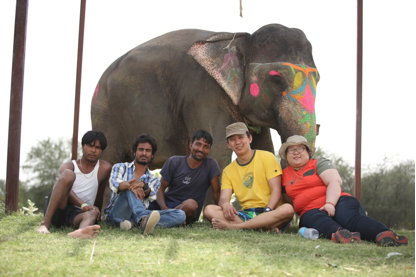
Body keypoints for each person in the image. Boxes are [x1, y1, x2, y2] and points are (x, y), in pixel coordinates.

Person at [279, 135, 408, 246]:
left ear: (308, 152)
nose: (296, 152)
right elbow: (288, 200)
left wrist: (330, 204)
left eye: (300, 148)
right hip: (310, 210)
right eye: (291, 150)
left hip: (339, 201)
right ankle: (343, 235)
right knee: (316, 220)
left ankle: (385, 234)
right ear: (286, 155)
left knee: (349, 218)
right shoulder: (283, 174)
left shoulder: (318, 163)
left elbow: (334, 181)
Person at [204, 122, 294, 232]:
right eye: (232, 139)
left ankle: (235, 227)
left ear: (249, 138)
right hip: (247, 214)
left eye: (241, 137)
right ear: (228, 144)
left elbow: (276, 190)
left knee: (288, 209)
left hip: (271, 210)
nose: (237, 142)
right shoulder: (228, 170)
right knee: (209, 210)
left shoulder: (267, 157)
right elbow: (223, 198)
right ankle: (264, 228)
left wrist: (268, 211)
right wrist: (226, 204)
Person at [104, 134, 186, 235]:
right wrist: (131, 186)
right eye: (141, 149)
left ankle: (134, 223)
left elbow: (149, 194)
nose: (144, 153)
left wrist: (143, 185)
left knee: (180, 214)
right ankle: (142, 220)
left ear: (152, 155)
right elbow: (115, 184)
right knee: (131, 189)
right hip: (118, 212)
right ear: (134, 152)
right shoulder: (120, 167)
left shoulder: (154, 179)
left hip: (137, 213)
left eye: (148, 151)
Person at [36, 131, 112, 238]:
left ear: (102, 151)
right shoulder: (68, 166)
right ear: (83, 146)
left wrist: (96, 212)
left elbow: (99, 193)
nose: (93, 150)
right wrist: (83, 204)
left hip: (79, 213)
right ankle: (45, 225)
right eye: (90, 146)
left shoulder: (104, 168)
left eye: (98, 147)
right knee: (68, 175)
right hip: (60, 208)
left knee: (92, 212)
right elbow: (65, 191)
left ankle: (81, 231)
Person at [148, 130, 221, 225]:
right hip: (164, 207)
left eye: (206, 146)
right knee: (141, 202)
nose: (201, 149)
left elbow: (216, 193)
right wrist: (164, 209)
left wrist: (224, 214)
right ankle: (167, 220)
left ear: (209, 150)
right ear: (191, 145)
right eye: (198, 144)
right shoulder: (174, 161)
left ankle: (157, 220)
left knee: (191, 205)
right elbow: (160, 188)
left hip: (187, 211)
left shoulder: (211, 165)